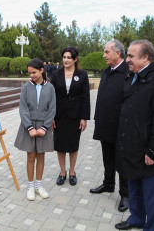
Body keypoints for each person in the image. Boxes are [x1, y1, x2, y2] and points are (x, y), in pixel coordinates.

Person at [115, 40, 154, 230]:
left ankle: (151, 227)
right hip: (133, 147)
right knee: (135, 190)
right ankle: (136, 218)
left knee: (151, 195)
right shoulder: (134, 76)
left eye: (132, 56)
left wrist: (153, 151)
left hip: (150, 152)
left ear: (146, 57)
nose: (127, 60)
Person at [90, 39, 129, 212]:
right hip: (104, 123)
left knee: (122, 161)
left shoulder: (128, 72)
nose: (104, 55)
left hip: (120, 126)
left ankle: (125, 194)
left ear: (118, 53)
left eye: (107, 52)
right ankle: (108, 184)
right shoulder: (107, 72)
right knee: (107, 157)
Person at [14, 58, 56, 201]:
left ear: (42, 70)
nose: (31, 75)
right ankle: (30, 186)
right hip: (29, 126)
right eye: (30, 73)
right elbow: (23, 108)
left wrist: (45, 127)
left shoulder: (50, 87)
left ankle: (39, 185)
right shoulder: (26, 87)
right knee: (30, 156)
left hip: (44, 125)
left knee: (41, 156)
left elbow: (52, 109)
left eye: (34, 72)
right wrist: (30, 127)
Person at [50, 46, 90, 186]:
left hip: (75, 116)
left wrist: (84, 117)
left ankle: (72, 172)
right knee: (60, 145)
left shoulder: (82, 74)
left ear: (75, 59)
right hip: (59, 116)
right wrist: (51, 118)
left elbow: (85, 98)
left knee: (73, 145)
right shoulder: (56, 74)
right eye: (64, 57)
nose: (66, 60)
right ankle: (62, 172)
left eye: (69, 57)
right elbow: (51, 96)